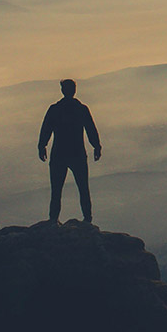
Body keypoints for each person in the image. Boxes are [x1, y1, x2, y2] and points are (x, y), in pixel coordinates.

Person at [38, 78, 101, 224]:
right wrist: (96, 146)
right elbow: (91, 129)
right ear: (74, 90)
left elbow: (46, 129)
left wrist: (42, 146)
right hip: (77, 153)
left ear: (62, 90)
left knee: (56, 190)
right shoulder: (81, 109)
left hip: (59, 154)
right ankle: (87, 219)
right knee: (83, 188)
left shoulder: (55, 109)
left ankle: (53, 219)